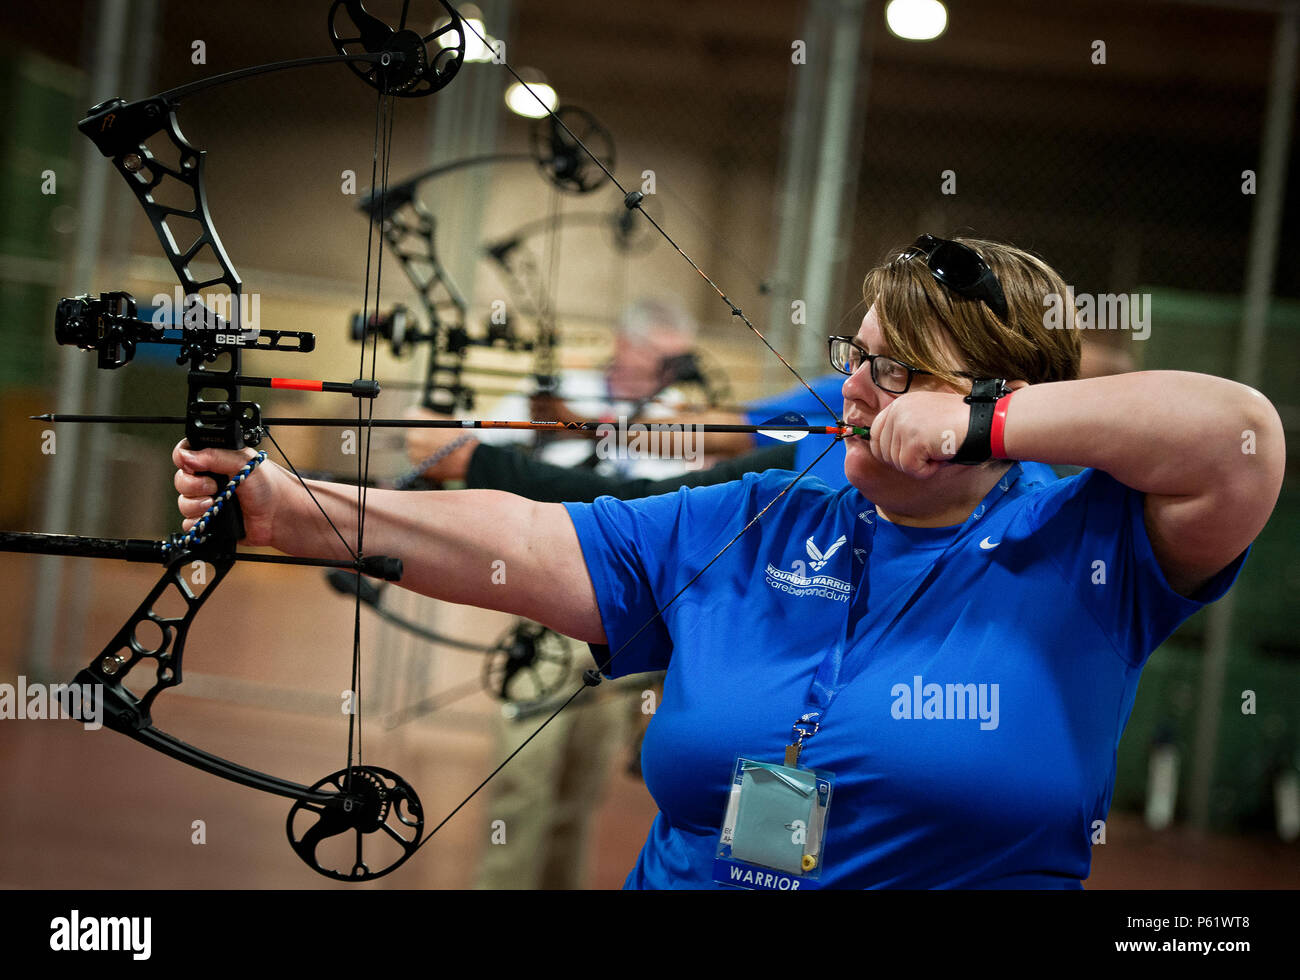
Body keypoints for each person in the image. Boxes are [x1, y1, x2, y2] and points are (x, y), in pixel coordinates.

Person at [173, 235, 1283, 888]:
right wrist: (289, 508)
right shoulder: (763, 514)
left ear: (997, 394)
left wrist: (990, 431)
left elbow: (1240, 437)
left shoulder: (1090, 538)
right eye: (857, 359)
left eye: (895, 373)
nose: (855, 389)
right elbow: (531, 537)